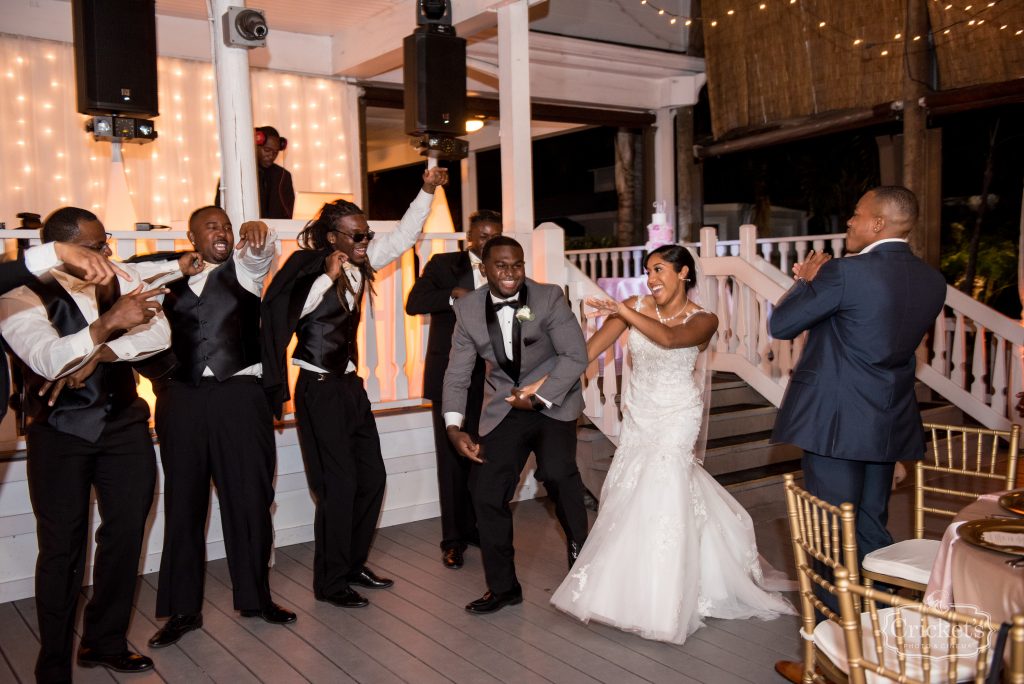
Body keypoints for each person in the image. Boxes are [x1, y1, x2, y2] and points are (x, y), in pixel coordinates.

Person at [549, 245, 794, 643]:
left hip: (677, 414)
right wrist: (542, 385)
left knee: (664, 488)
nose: (651, 278)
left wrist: (623, 311)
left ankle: (666, 600)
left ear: (683, 274)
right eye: (647, 271)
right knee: (632, 492)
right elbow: (587, 353)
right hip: (640, 413)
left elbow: (669, 338)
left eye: (659, 269)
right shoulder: (633, 305)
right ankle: (625, 587)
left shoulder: (704, 319)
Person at [0, 207, 182, 681]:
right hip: (59, 434)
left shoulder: (116, 276)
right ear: (66, 248)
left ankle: (104, 642)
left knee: (125, 537)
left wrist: (101, 350)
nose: (108, 253)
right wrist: (106, 326)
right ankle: (53, 664)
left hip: (125, 425)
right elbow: (46, 359)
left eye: (106, 244)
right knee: (62, 550)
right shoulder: (18, 293)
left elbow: (158, 332)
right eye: (96, 246)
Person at [262, 166, 448, 608]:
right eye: (357, 236)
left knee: (373, 479)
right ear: (333, 239)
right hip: (318, 388)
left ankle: (351, 564)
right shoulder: (307, 269)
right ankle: (329, 583)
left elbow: (403, 236)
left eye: (366, 234)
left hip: (350, 387)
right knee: (337, 488)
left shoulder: (362, 264)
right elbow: (290, 312)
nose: (365, 242)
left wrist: (425, 191)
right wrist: (327, 275)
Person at [146, 206, 294, 650]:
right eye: (212, 227)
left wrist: (260, 235)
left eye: (226, 226)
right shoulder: (167, 280)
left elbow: (261, 255)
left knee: (250, 500)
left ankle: (257, 597)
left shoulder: (245, 271)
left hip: (239, 398)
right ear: (192, 237)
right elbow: (125, 279)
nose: (223, 233)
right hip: (183, 401)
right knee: (184, 505)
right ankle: (183, 611)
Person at [770, 186, 946, 560]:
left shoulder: (844, 273)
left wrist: (806, 282)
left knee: (830, 530)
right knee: (869, 522)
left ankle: (833, 618)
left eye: (857, 213)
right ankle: (877, 609)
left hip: (835, 420)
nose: (850, 221)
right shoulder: (933, 281)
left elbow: (782, 324)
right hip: (887, 418)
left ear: (878, 223)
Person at [443, 235, 590, 615]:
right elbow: (458, 374)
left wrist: (539, 395)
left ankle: (583, 570)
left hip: (553, 401)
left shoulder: (548, 297)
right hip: (504, 407)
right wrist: (454, 427)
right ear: (484, 269)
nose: (511, 274)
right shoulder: (467, 309)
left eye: (517, 265)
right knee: (486, 493)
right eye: (501, 266)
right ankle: (503, 588)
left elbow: (576, 355)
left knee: (558, 475)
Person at [405, 209, 503, 569]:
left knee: (484, 454)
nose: (490, 241)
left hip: (492, 379)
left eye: (497, 234)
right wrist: (453, 294)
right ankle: (453, 539)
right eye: (484, 235)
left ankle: (477, 527)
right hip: (450, 377)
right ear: (471, 237)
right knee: (451, 459)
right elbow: (413, 303)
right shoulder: (444, 264)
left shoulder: (505, 268)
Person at [255, 126, 295, 219]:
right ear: (255, 146)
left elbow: (288, 213)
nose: (271, 156)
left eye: (275, 152)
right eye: (267, 150)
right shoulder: (241, 173)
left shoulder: (283, 176)